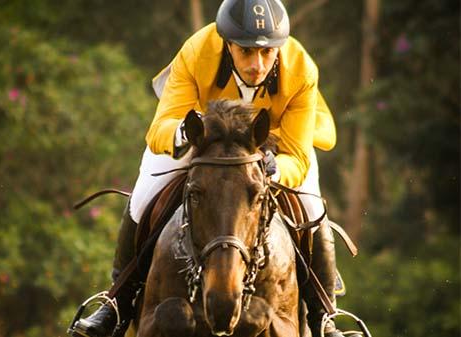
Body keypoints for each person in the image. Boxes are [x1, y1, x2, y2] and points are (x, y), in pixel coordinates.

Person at [69, 1, 351, 336]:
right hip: (204, 140)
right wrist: (186, 134)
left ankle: (324, 317)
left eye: (268, 53)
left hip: (272, 144)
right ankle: (116, 303)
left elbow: (299, 158)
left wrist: (271, 170)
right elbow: (160, 128)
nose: (258, 64)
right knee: (144, 193)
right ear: (227, 43)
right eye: (246, 52)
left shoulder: (301, 68)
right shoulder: (197, 52)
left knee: (311, 202)